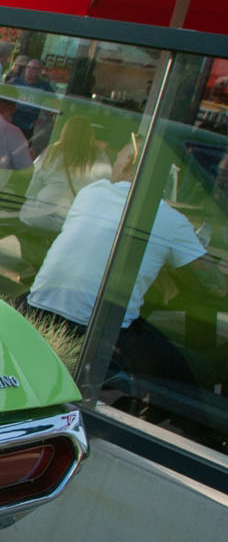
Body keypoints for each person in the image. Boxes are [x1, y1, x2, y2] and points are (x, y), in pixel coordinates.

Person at [20, 144, 220, 390]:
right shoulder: (170, 219)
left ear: (126, 164)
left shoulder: (91, 193)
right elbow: (213, 284)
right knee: (200, 371)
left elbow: (100, 246)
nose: (114, 164)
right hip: (101, 332)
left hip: (36, 310)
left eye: (117, 158)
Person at [17, 115, 112, 265]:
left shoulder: (52, 152)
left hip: (39, 216)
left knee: (25, 216)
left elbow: (32, 188)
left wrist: (32, 200)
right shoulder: (100, 157)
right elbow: (104, 189)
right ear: (90, 134)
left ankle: (33, 261)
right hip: (73, 221)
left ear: (64, 132)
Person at [6, 57, 55, 141]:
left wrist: (45, 119)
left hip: (28, 126)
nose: (30, 70)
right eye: (28, 67)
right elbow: (3, 98)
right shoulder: (15, 82)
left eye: (34, 68)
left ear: (39, 72)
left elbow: (54, 105)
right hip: (11, 122)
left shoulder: (45, 87)